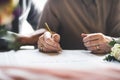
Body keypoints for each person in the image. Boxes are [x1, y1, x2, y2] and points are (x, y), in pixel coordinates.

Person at [36, 0, 120, 54]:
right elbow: (41, 40)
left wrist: (112, 42)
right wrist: (46, 43)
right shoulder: (54, 3)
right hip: (68, 69)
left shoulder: (115, 3)